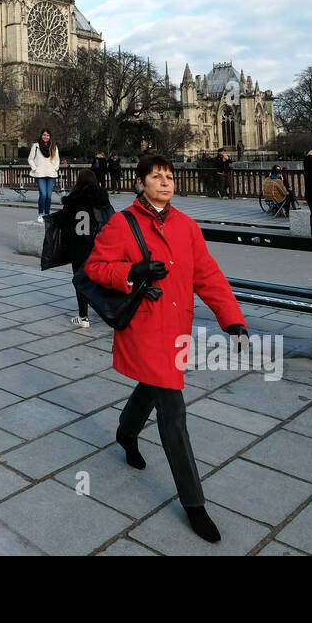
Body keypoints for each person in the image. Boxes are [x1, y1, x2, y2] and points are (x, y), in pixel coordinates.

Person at [84, 152, 248, 544]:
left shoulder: (187, 226)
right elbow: (94, 267)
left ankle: (125, 432)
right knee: (172, 411)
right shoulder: (122, 224)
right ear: (140, 183)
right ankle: (194, 503)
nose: (165, 182)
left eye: (170, 176)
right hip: (143, 327)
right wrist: (131, 272)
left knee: (154, 385)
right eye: (156, 176)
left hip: (175, 329)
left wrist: (233, 319)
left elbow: (207, 275)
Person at [55, 168, 114, 328]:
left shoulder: (74, 198)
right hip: (99, 244)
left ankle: (83, 317)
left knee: (80, 280)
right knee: (102, 278)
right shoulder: (102, 196)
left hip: (79, 245)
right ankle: (108, 309)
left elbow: (64, 222)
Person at [28, 128, 60, 221]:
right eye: (44, 135)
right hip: (40, 174)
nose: (45, 137)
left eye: (47, 135)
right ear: (41, 135)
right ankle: (40, 214)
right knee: (43, 194)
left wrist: (55, 168)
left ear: (50, 136)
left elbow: (57, 159)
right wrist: (35, 168)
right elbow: (30, 158)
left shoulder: (54, 146)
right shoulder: (36, 146)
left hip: (51, 174)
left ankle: (47, 214)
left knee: (49, 195)